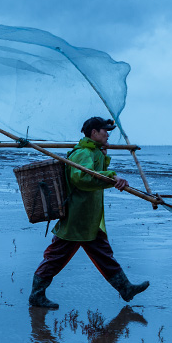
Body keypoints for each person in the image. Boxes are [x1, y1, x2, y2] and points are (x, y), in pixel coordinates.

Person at [28, 116, 149, 309]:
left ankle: (125, 288)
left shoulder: (94, 151)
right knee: (55, 257)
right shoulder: (83, 152)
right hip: (77, 218)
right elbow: (82, 178)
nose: (108, 134)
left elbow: (96, 172)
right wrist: (112, 177)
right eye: (104, 130)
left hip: (89, 218)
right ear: (94, 133)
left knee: (104, 255)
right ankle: (36, 295)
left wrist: (104, 157)